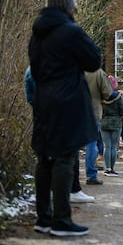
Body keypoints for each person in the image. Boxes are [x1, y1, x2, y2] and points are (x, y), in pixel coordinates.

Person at [28, 0, 100, 236]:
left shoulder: (37, 34)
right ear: (68, 5)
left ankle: (43, 218)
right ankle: (62, 220)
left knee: (44, 157)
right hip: (67, 100)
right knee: (64, 157)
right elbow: (94, 60)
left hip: (43, 99)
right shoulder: (71, 31)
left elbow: (35, 70)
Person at [24, 66, 95, 203]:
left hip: (42, 117)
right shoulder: (60, 67)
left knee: (45, 157)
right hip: (63, 116)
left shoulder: (32, 70)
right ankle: (72, 190)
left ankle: (49, 192)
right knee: (69, 155)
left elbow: (30, 97)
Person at [84, 68, 114, 185]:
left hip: (74, 110)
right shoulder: (97, 72)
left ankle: (72, 177)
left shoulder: (73, 68)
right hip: (93, 110)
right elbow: (108, 92)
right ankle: (91, 175)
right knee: (91, 144)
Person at [101, 75, 123, 176]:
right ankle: (112, 168)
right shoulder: (118, 97)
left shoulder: (101, 96)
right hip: (116, 122)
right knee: (113, 147)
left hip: (104, 122)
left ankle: (107, 168)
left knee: (107, 147)